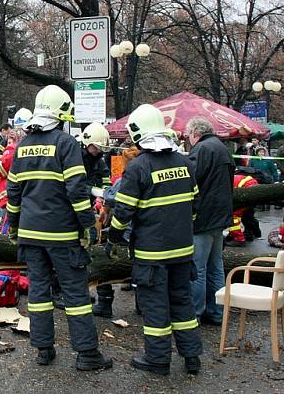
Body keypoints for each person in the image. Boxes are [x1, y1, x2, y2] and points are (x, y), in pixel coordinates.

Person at [6, 84, 111, 370]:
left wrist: (14, 227)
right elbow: (77, 191)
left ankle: (43, 349)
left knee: (39, 292)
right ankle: (87, 354)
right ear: (61, 113)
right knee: (75, 292)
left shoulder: (23, 146)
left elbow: (12, 193)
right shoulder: (66, 144)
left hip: (30, 233)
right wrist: (88, 226)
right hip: (62, 234)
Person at [109, 104, 202, 376]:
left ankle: (158, 359)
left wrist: (114, 236)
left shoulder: (139, 167)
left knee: (156, 307)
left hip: (152, 253)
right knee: (182, 301)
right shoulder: (185, 163)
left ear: (139, 133)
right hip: (183, 250)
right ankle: (192, 357)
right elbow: (195, 204)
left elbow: (124, 210)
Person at [186, 117, 233, 325]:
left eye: (188, 135)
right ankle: (217, 312)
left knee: (199, 267)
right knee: (216, 266)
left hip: (203, 217)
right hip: (221, 216)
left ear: (196, 132)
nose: (187, 139)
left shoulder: (201, 150)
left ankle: (195, 312)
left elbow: (191, 181)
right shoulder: (223, 149)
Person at [78, 122, 114, 318]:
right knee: (75, 252)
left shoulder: (98, 157)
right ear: (87, 142)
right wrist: (90, 189)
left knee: (93, 251)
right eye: (96, 147)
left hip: (88, 207)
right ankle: (69, 293)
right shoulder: (75, 156)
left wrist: (106, 197)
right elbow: (73, 184)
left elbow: (105, 177)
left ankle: (95, 296)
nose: (99, 151)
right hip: (73, 210)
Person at [225, 174, 259, 247]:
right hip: (251, 187)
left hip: (245, 189)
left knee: (231, 215)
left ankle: (239, 239)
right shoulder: (225, 178)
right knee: (237, 214)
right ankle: (234, 234)